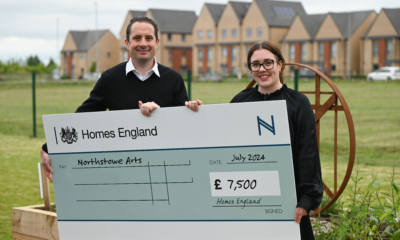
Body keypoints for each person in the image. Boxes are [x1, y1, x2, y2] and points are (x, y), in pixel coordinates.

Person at [41, 16, 202, 182]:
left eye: (148, 38)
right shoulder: (110, 79)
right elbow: (83, 117)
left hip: (164, 171)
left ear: (157, 43)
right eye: (137, 38)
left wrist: (189, 111)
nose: (143, 43)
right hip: (122, 173)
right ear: (127, 43)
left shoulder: (174, 79)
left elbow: (183, 130)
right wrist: (48, 147)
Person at [230, 41, 323, 239]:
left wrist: (306, 200)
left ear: (280, 65)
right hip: (250, 198)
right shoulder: (240, 102)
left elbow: (308, 152)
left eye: (268, 63)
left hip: (289, 201)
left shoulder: (298, 103)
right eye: (255, 64)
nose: (262, 69)